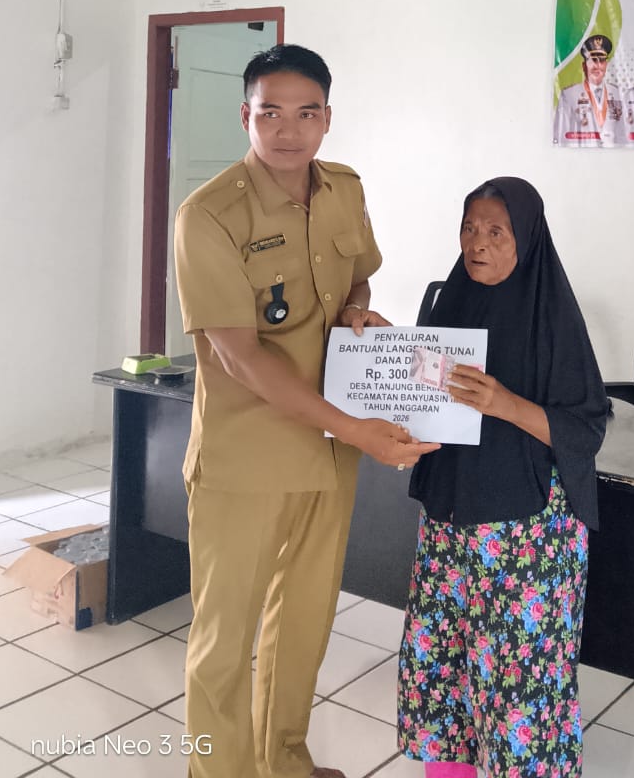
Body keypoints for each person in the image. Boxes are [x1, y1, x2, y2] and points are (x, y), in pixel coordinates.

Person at [174, 43, 438, 778]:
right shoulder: (209, 216)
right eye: (271, 114)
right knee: (224, 643)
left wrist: (356, 313)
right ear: (245, 116)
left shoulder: (344, 190)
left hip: (328, 455)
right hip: (247, 458)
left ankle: (283, 761)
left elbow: (357, 282)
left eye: (306, 113)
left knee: (303, 626)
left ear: (327, 118)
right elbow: (239, 355)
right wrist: (353, 427)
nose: (288, 130)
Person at [397, 177, 609, 778]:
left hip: (527, 534)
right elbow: (420, 392)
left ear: (527, 239)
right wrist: (381, 341)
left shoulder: (552, 319)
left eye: (496, 232)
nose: (478, 244)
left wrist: (504, 403)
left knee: (518, 685)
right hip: (451, 522)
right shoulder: (451, 304)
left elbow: (585, 430)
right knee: (444, 665)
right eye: (469, 228)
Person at [553, 32, 625, 146]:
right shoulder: (569, 95)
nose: (597, 66)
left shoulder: (617, 93)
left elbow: (623, 135)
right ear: (584, 65)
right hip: (582, 154)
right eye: (593, 60)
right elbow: (560, 137)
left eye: (601, 60)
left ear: (606, 65)